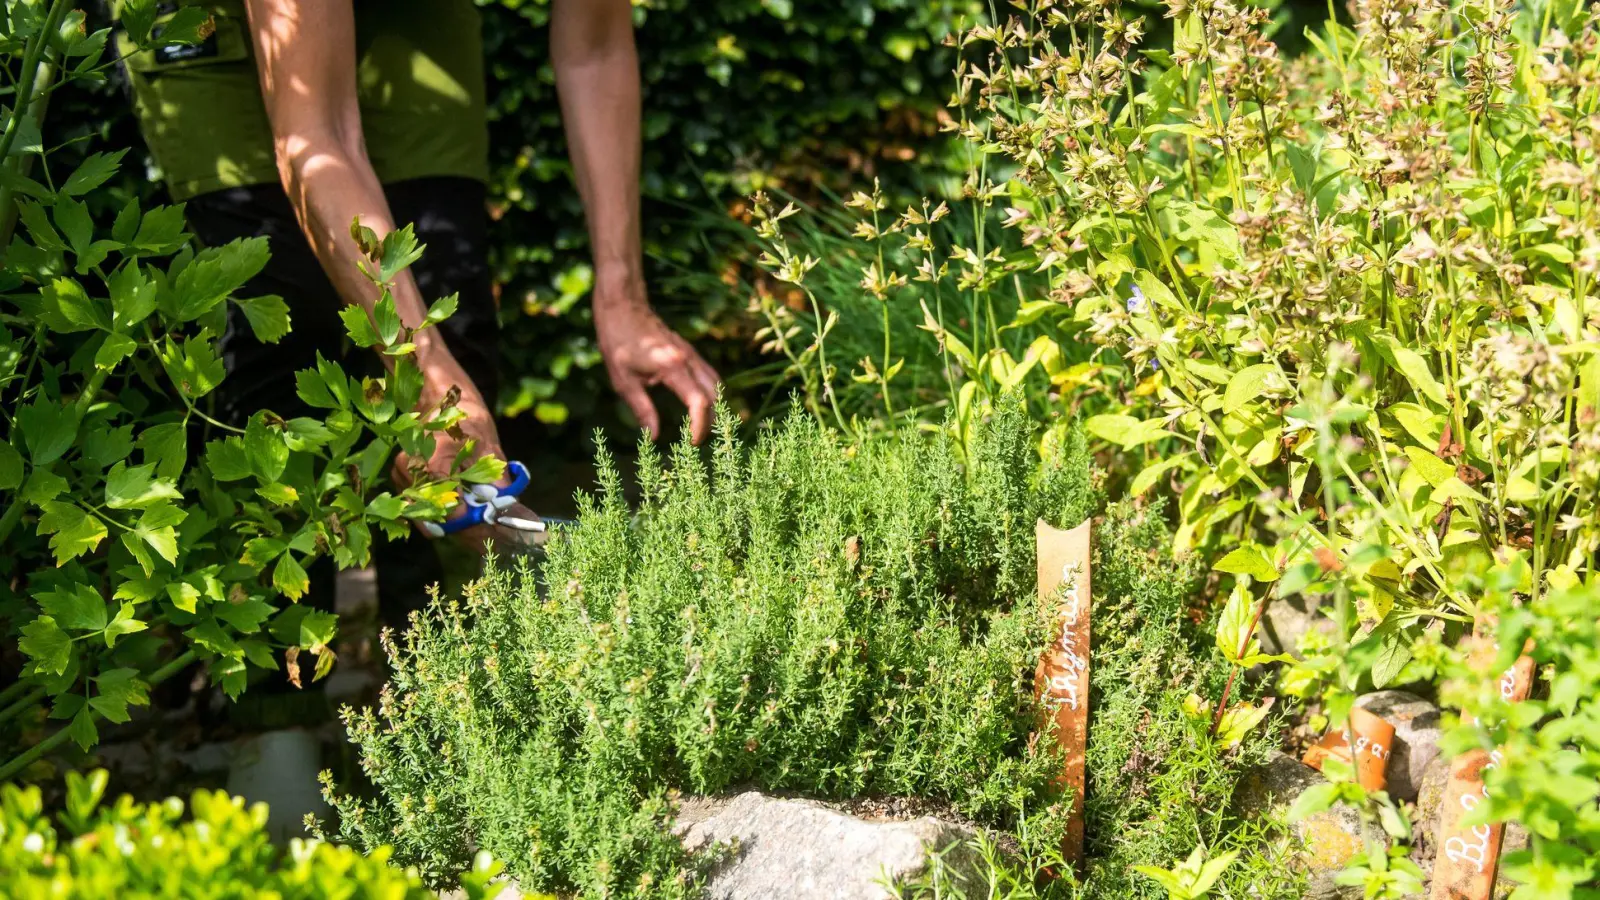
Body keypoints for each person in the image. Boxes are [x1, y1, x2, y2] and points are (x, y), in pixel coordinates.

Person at [112, 0, 719, 838]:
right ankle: (267, 732)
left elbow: (594, 46)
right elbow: (316, 134)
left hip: (413, 16)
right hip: (219, 25)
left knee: (452, 305)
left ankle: (440, 705)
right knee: (271, 352)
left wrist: (621, 297)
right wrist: (419, 365)